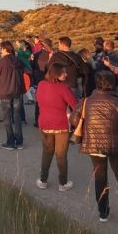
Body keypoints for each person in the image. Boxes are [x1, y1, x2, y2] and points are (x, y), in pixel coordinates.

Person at [77, 71, 118, 222]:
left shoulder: (86, 101)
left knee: (100, 178)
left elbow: (75, 120)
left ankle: (103, 213)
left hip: (94, 144)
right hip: (116, 145)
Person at [35, 63, 77, 191]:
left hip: (45, 123)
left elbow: (38, 100)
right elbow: (75, 105)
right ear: (57, 74)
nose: (66, 74)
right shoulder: (63, 88)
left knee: (47, 152)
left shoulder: (41, 85)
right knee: (61, 154)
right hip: (61, 125)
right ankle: (63, 183)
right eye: (63, 72)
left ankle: (43, 180)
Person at [0, 41, 26, 150]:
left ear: (5, 49)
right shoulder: (18, 61)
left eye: (2, 49)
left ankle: (10, 141)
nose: (1, 51)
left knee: (7, 118)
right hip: (17, 91)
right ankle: (19, 142)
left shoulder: (1, 62)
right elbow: (27, 71)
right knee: (17, 117)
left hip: (5, 92)